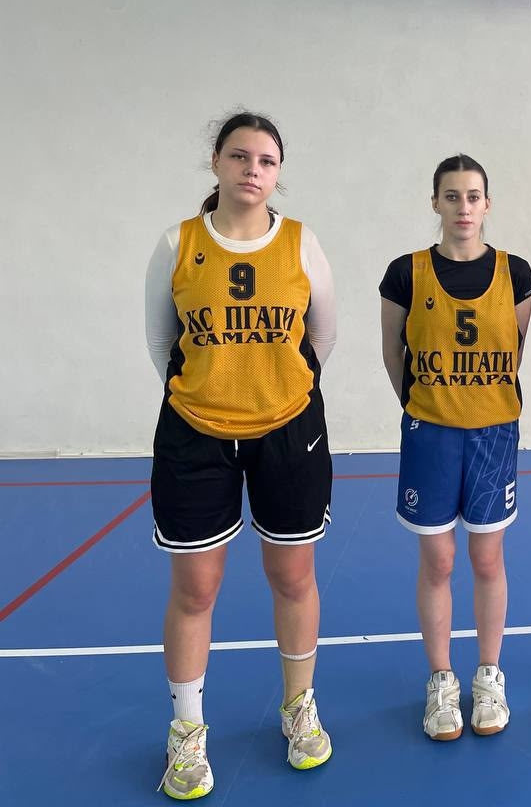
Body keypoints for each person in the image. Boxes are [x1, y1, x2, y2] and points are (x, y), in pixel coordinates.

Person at [144, 112, 337, 800]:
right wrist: (212, 394)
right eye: (239, 156)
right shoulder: (179, 243)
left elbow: (322, 336)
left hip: (288, 432)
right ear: (217, 163)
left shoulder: (302, 243)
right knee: (196, 588)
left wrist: (275, 393)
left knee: (293, 575)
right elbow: (162, 344)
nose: (252, 170)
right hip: (196, 435)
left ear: (278, 173)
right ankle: (187, 731)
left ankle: (298, 707)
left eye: (266, 160)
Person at [378, 154, 531, 741]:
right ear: (436, 203)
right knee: (439, 560)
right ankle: (441, 678)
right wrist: (425, 403)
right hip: (432, 430)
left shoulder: (516, 273)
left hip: (493, 431)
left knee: (487, 558)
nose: (463, 207)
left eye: (473, 196)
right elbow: (393, 352)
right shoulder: (406, 272)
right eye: (452, 196)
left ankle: (489, 674)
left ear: (487, 204)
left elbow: (516, 349)